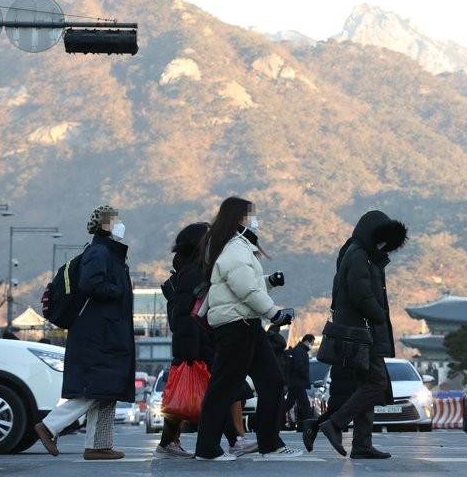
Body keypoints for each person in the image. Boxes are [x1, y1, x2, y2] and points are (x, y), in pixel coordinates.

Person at [193, 197, 301, 461]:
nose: (256, 220)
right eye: (252, 215)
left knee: (272, 381)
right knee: (224, 387)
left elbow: (248, 284)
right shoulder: (234, 249)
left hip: (247, 324)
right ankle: (207, 449)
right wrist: (275, 314)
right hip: (235, 326)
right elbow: (246, 290)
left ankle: (269, 443)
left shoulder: (238, 247)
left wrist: (270, 282)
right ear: (240, 218)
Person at [34, 205, 134, 460]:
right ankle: (49, 426)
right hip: (98, 335)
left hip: (106, 332)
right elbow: (90, 283)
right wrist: (117, 290)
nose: (121, 225)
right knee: (97, 388)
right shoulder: (100, 252)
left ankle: (97, 446)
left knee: (108, 390)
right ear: (107, 226)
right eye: (117, 221)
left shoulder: (106, 252)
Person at [155, 222, 257, 459]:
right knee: (212, 394)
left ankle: (167, 443)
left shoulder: (193, 270)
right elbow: (184, 315)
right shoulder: (194, 273)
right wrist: (192, 352)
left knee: (193, 395)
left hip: (199, 344)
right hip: (198, 346)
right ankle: (234, 440)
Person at [316, 210, 407, 459]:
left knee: (366, 385)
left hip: (362, 333)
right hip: (363, 333)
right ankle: (335, 424)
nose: (383, 246)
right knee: (376, 383)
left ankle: (361, 444)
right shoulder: (359, 256)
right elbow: (361, 295)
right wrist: (379, 315)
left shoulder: (362, 255)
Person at [284, 334, 315, 431]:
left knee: (289, 403)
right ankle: (309, 426)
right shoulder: (300, 351)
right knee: (305, 405)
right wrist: (305, 375)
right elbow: (299, 366)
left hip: (295, 382)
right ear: (307, 341)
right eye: (312, 343)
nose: (312, 345)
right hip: (298, 382)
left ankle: (276, 416)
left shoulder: (299, 350)